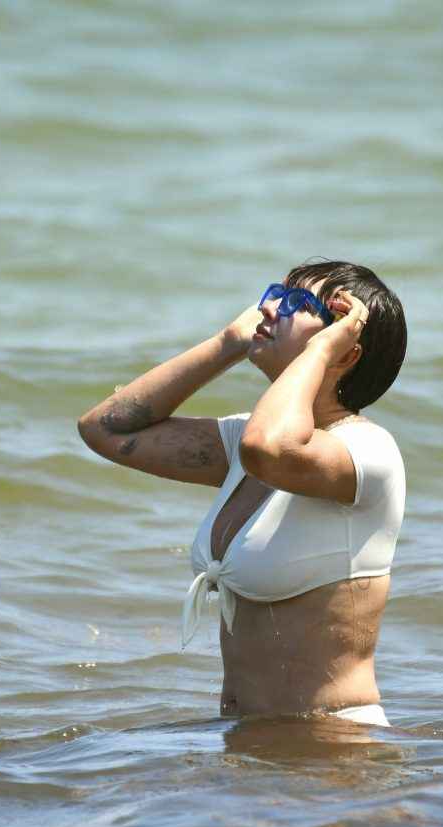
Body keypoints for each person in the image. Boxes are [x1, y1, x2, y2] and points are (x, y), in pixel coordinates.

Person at [78, 260, 407, 727]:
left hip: (332, 747)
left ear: (345, 352)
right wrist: (229, 342)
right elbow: (104, 429)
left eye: (298, 304)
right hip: (250, 742)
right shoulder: (244, 443)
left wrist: (321, 350)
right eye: (276, 294)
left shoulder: (367, 452)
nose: (269, 309)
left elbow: (268, 448)